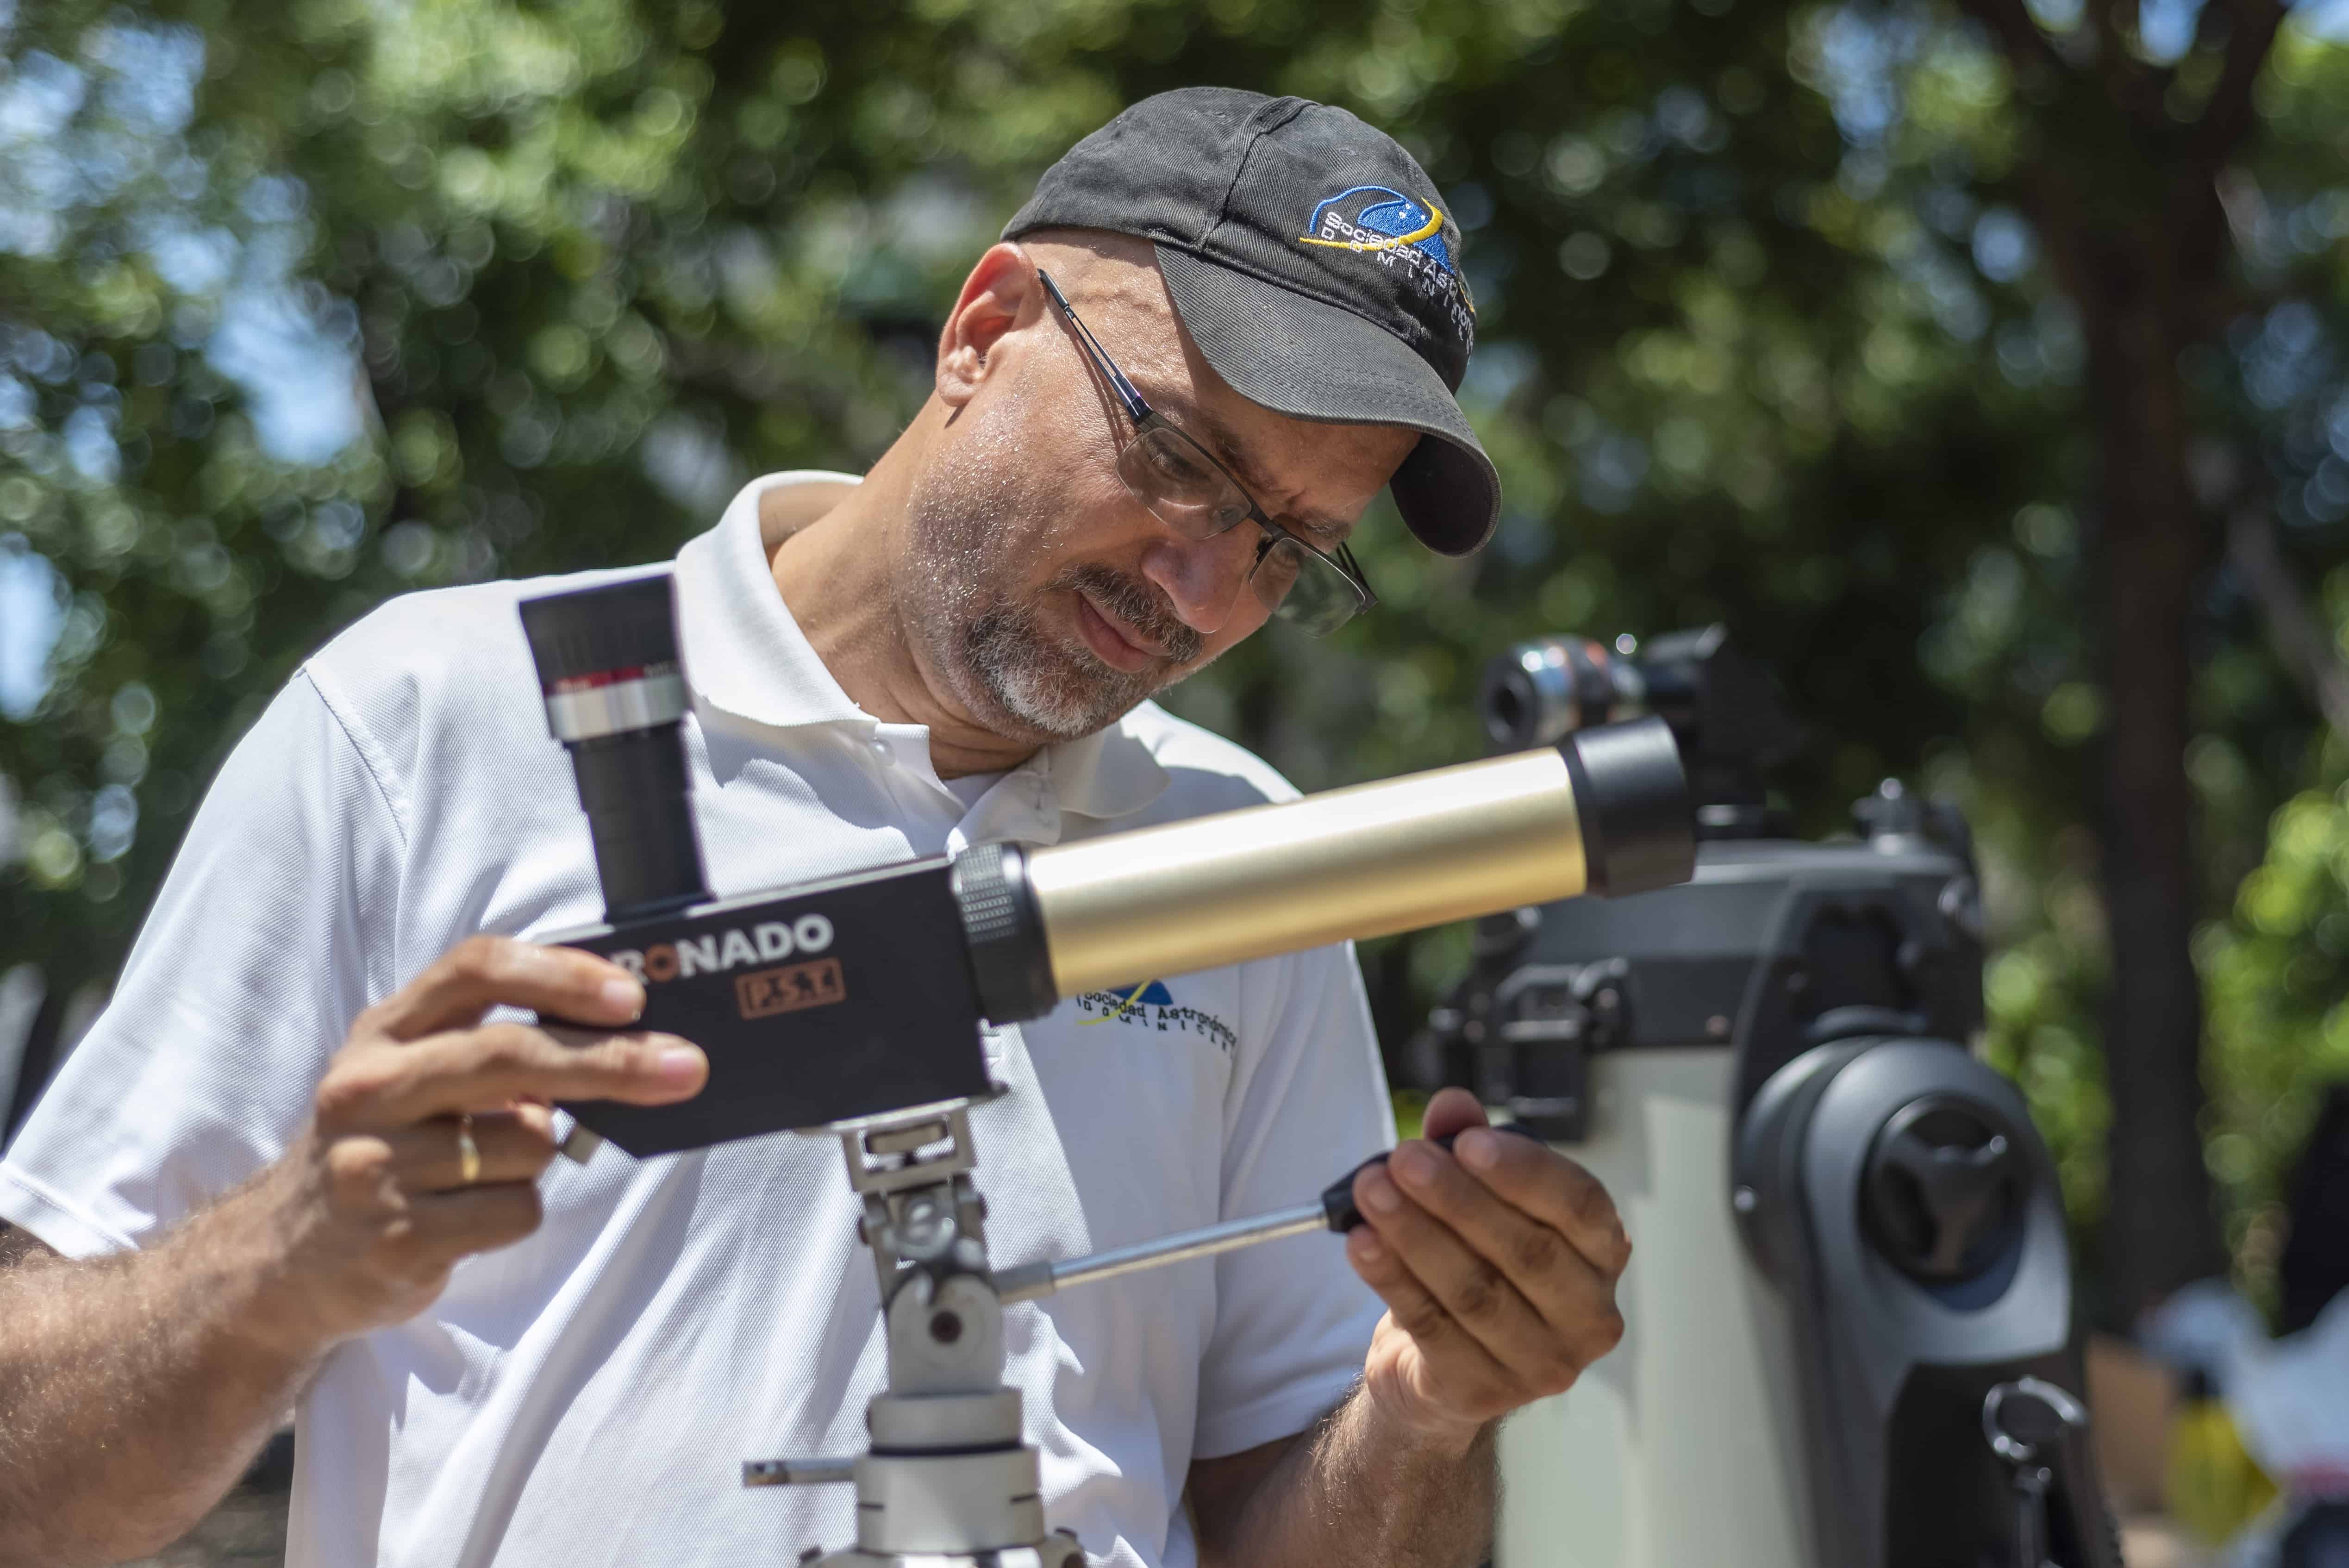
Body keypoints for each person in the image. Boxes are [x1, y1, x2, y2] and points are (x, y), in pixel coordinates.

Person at [0, 87, 1630, 1568]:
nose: (1203, 586)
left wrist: (1424, 1417)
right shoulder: (439, 718)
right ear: (984, 325)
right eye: (1184, 457)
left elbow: (1283, 1503)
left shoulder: (1246, 851)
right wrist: (282, 1261)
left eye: (1289, 545)